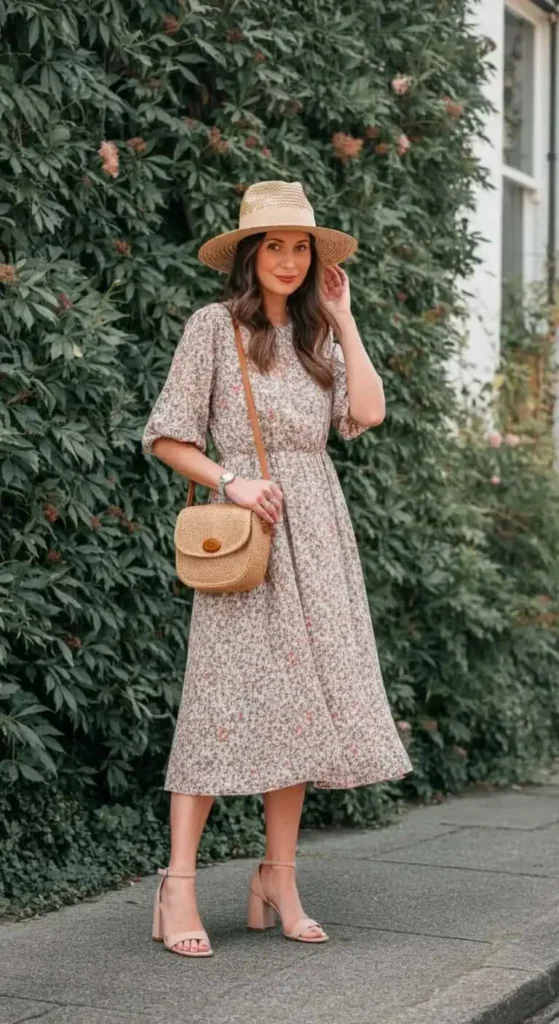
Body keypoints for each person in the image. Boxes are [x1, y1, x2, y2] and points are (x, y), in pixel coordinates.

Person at [143, 179, 413, 958]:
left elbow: (366, 412)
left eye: (302, 247)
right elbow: (165, 436)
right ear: (249, 254)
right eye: (275, 246)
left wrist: (345, 319)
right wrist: (232, 481)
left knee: (298, 709)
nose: (290, 260)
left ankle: (278, 877)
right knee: (215, 699)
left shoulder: (313, 338)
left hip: (318, 538)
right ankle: (179, 884)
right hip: (246, 535)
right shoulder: (211, 329)